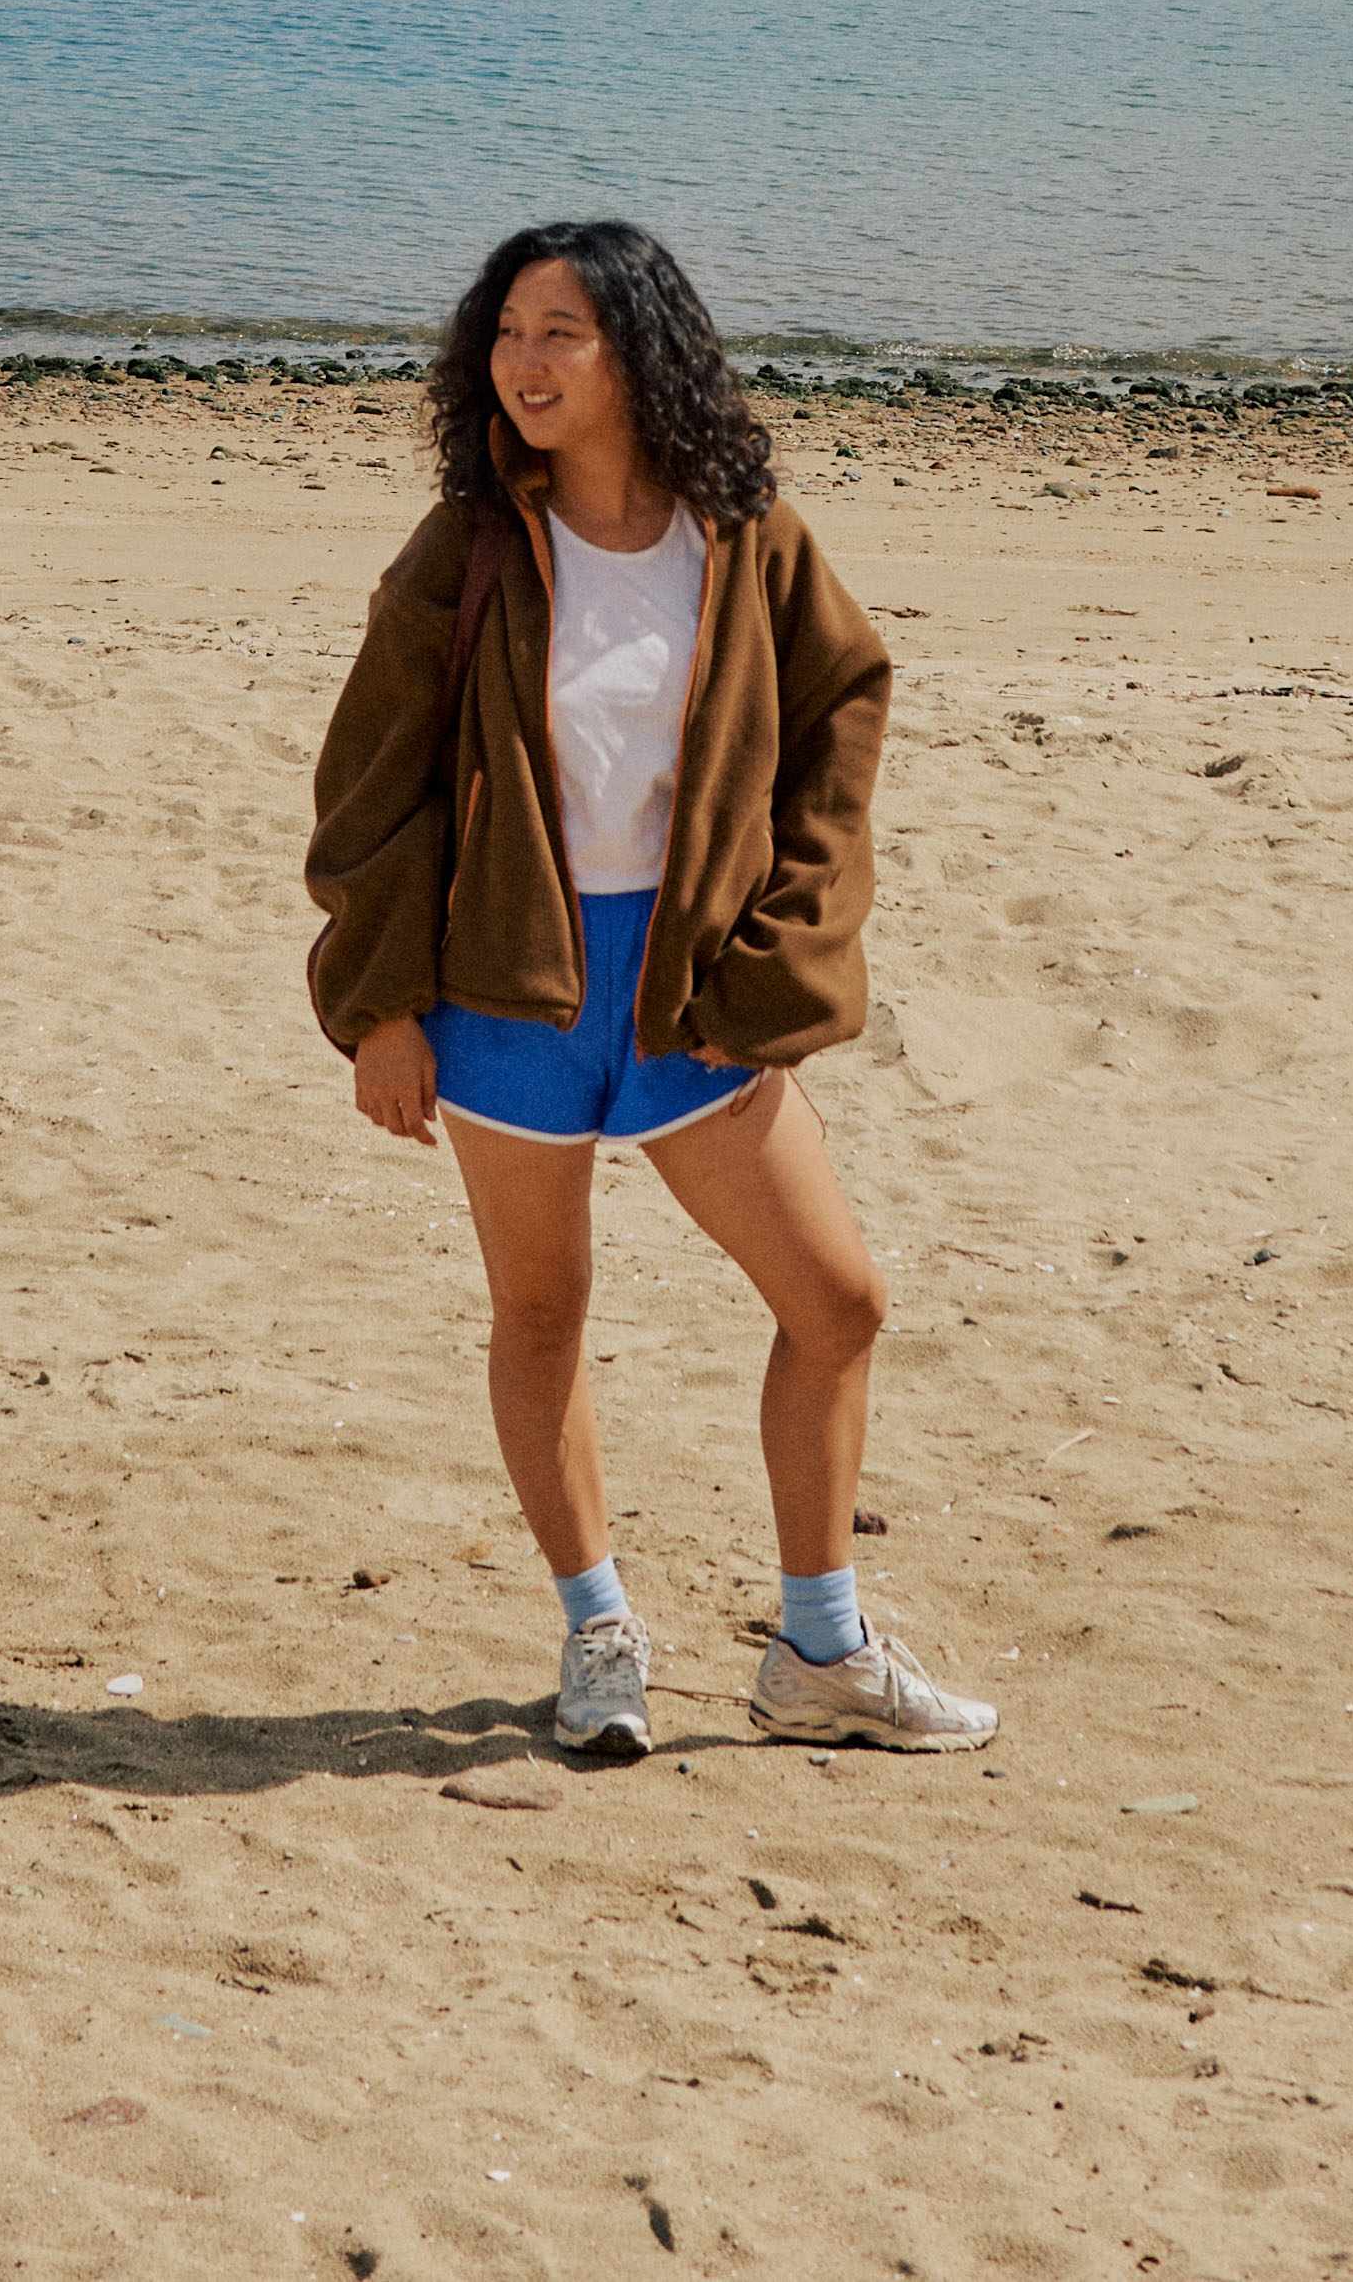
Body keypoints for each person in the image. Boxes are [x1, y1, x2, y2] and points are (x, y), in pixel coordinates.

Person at [306, 217, 996, 1766]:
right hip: (505, 992)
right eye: (506, 332)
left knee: (839, 1300)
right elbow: (369, 786)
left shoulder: (741, 533)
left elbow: (843, 707)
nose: (525, 360)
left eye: (561, 331)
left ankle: (820, 1646)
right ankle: (597, 1627)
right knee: (543, 1308)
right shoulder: (472, 544)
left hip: (694, 991)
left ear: (640, 351)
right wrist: (379, 1006)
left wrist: (787, 943)